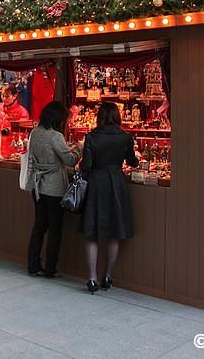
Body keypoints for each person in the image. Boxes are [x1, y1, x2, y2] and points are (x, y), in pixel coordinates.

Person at [79, 101, 138, 294]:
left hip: (96, 183)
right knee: (114, 231)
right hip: (116, 183)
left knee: (92, 232)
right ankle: (108, 275)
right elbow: (132, 162)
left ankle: (92, 278)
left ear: (100, 117)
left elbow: (86, 165)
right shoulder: (125, 137)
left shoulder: (92, 137)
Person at [26, 101, 79, 278]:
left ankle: (33, 264)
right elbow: (70, 160)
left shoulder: (35, 133)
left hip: (38, 186)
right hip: (54, 186)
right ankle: (50, 267)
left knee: (39, 226)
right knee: (55, 228)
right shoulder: (55, 136)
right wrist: (79, 148)